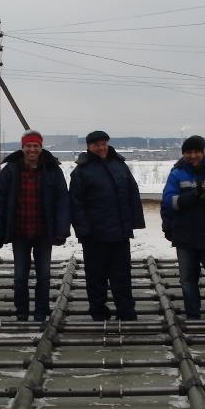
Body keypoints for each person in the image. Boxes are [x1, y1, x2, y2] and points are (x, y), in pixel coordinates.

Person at [0, 130, 70, 322]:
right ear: (23, 147)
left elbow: (62, 201)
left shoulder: (52, 170)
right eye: (28, 146)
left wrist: (62, 229)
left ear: (41, 148)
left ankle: (41, 312)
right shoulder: (11, 170)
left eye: (35, 146)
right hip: (20, 232)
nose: (32, 149)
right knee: (20, 276)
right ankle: (22, 312)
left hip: (44, 232)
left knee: (43, 276)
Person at [69, 130, 146, 321]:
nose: (101, 148)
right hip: (94, 236)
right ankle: (98, 313)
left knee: (122, 276)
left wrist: (134, 222)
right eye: (97, 145)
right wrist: (83, 230)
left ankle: (126, 312)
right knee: (96, 278)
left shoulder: (120, 165)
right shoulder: (81, 171)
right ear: (89, 147)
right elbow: (75, 204)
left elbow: (132, 194)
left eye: (104, 144)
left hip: (119, 233)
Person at [161, 135, 205, 319]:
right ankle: (193, 316)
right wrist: (192, 196)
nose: (193, 156)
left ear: (203, 152)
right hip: (185, 236)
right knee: (187, 281)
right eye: (188, 152)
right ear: (183, 154)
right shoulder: (176, 173)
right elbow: (169, 202)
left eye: (196, 152)